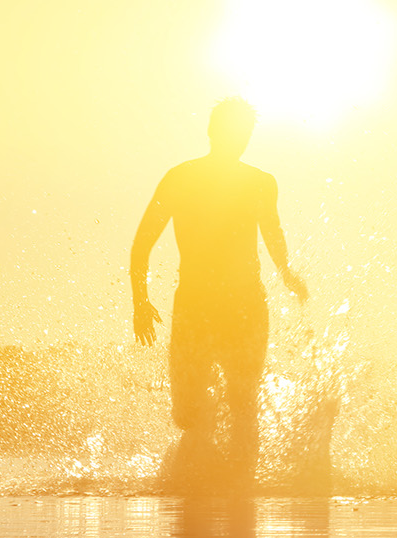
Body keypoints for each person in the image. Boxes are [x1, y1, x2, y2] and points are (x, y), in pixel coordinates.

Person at [131, 98, 307, 491]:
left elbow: (273, 234)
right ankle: (201, 475)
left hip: (246, 303)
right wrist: (139, 301)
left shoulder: (261, 182)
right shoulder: (180, 178)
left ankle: (239, 492)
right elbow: (143, 243)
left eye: (245, 134)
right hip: (195, 303)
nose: (238, 141)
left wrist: (286, 272)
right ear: (211, 131)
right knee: (186, 412)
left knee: (243, 401)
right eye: (232, 132)